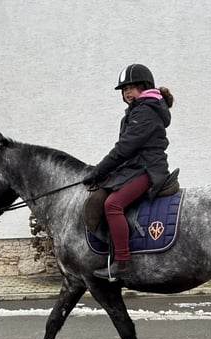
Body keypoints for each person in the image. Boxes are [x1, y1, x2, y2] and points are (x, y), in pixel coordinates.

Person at [84, 64, 174, 281]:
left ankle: (122, 262)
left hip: (148, 169)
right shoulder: (139, 110)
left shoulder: (145, 111)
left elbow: (125, 148)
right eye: (124, 89)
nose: (127, 92)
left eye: (132, 87)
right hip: (136, 167)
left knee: (113, 205)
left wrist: (97, 171)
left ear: (145, 87)